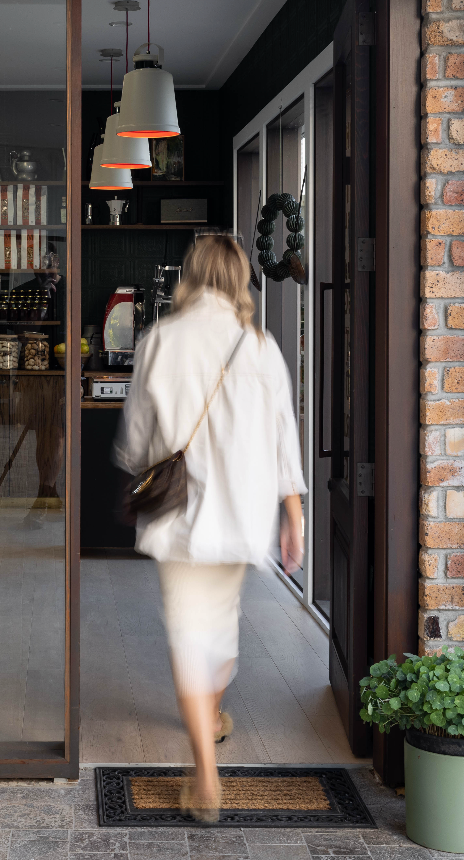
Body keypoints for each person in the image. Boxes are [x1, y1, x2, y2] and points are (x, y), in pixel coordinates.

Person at [112, 233, 306, 823]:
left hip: (180, 519)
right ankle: (212, 716)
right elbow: (284, 437)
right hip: (241, 517)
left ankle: (204, 773)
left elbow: (135, 441)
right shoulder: (261, 347)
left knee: (190, 634)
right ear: (241, 280)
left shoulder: (160, 340)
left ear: (191, 276)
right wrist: (293, 515)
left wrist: (145, 461)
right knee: (218, 627)